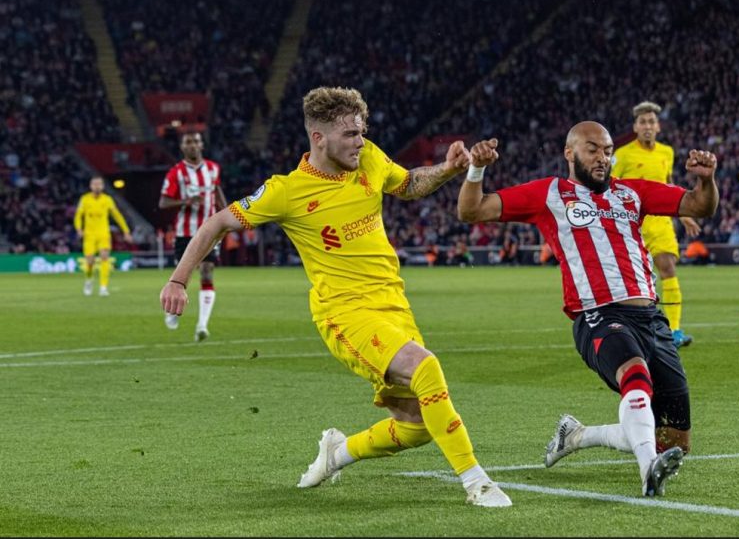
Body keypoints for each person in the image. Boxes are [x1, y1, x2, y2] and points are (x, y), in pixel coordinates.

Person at [160, 87, 511, 508]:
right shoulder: (286, 191)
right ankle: (477, 482)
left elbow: (409, 184)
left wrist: (451, 169)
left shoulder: (369, 158)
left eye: (362, 132)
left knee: (417, 425)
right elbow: (216, 222)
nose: (359, 142)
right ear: (318, 138)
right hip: (345, 313)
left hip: (394, 305)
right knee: (426, 368)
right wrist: (179, 280)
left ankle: (338, 453)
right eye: (349, 134)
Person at [457, 122, 719, 497]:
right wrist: (477, 170)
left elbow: (699, 206)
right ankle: (648, 473)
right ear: (570, 153)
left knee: (674, 441)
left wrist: (706, 180)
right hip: (598, 314)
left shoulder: (632, 193)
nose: (602, 158)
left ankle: (577, 436)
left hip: (651, 319)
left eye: (608, 150)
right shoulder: (549, 194)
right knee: (635, 373)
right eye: (593, 149)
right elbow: (472, 211)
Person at [612, 101, 699, 349]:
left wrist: (683, 214)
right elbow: (608, 185)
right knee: (632, 279)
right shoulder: (622, 155)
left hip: (659, 221)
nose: (648, 126)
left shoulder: (666, 153)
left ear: (658, 126)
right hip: (629, 223)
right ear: (635, 127)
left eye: (651, 122)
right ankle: (630, 328)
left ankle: (674, 331)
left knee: (668, 267)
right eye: (643, 122)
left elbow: (668, 184)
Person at [159, 131, 228, 341]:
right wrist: (185, 202)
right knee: (184, 276)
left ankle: (202, 325)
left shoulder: (213, 168)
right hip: (185, 233)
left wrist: (227, 215)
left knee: (207, 272)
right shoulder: (176, 173)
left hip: (209, 232)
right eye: (188, 142)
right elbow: (163, 202)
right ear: (182, 147)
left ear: (201, 145)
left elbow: (216, 191)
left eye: (196, 141)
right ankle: (172, 311)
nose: (193, 145)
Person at [73, 174, 133, 296]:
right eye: (95, 184)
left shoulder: (107, 200)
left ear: (103, 186)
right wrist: (79, 229)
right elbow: (78, 216)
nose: (97, 186)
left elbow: (117, 215)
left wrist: (125, 231)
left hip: (103, 233)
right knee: (89, 261)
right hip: (89, 234)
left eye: (99, 184)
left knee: (104, 257)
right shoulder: (85, 199)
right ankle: (89, 280)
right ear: (91, 186)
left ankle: (103, 287)